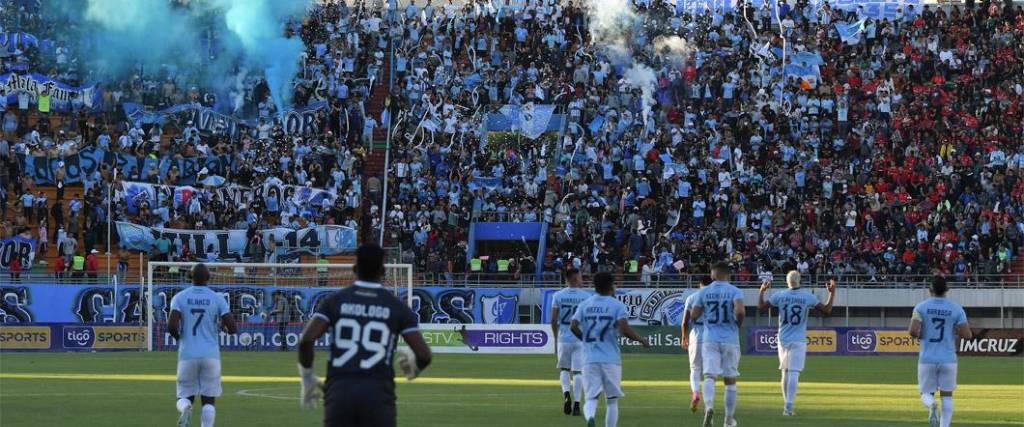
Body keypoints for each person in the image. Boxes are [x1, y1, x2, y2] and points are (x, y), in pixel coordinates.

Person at [297, 243, 432, 427]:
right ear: (383, 271)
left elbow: (306, 340)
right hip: (378, 394)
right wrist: (413, 369)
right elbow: (424, 354)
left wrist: (308, 377)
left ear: (354, 268)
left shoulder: (335, 301)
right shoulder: (397, 307)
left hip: (339, 393)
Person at [570, 271, 650, 427]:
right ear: (610, 286)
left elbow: (573, 326)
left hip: (589, 359)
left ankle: (590, 417)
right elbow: (625, 330)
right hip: (610, 359)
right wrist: (642, 340)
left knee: (591, 398)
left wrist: (585, 340)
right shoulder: (617, 305)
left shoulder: (585, 304)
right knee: (612, 401)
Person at [757, 271, 837, 416]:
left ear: (787, 281)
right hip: (798, 339)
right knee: (793, 372)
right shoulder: (807, 296)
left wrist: (762, 291)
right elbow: (827, 310)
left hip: (782, 338)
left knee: (784, 372)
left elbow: (761, 307)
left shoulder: (780, 295)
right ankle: (788, 406)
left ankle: (786, 406)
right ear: (799, 281)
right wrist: (832, 292)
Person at [167, 264, 238, 427]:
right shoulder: (217, 298)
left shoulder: (180, 297)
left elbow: (171, 326)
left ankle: (185, 407)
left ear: (190, 278)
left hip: (187, 354)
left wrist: (181, 338)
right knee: (208, 400)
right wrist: (221, 327)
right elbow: (233, 328)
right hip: (210, 355)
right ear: (208, 277)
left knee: (184, 396)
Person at [908, 276, 972, 427]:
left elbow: (912, 331)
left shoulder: (920, 307)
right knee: (947, 397)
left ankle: (931, 405)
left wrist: (921, 334)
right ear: (947, 290)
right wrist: (955, 329)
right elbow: (967, 335)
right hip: (948, 359)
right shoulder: (956, 309)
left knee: (925, 393)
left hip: (927, 358)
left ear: (930, 290)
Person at [690, 262, 745, 427]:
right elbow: (740, 311)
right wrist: (737, 324)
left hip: (710, 338)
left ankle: (709, 407)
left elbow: (694, 314)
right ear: (728, 274)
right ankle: (728, 420)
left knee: (709, 376)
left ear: (713, 274)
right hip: (730, 338)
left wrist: (702, 314)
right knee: (730, 379)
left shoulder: (704, 291)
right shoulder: (735, 291)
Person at [549, 267, 590, 416]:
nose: (582, 279)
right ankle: (578, 404)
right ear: (575, 278)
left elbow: (553, 319)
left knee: (564, 369)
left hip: (563, 338)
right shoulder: (586, 296)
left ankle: (566, 395)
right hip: (580, 338)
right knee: (578, 372)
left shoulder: (558, 295)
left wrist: (555, 337)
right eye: (580, 277)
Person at [681, 276, 711, 413]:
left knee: (695, 368)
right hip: (712, 334)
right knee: (709, 372)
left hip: (696, 334)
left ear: (700, 284)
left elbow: (685, 321)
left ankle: (695, 393)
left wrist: (684, 337)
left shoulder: (692, 297)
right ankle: (708, 403)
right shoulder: (715, 297)